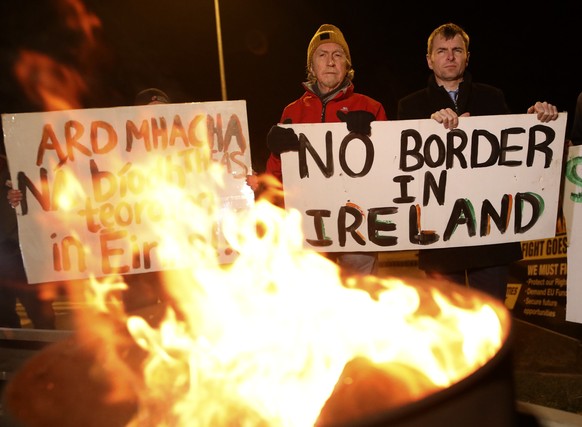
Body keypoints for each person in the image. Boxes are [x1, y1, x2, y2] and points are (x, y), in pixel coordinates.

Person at [397, 22, 559, 301]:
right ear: (429, 59)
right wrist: (430, 129)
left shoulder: (492, 97)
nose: (450, 56)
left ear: (467, 57)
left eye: (457, 50)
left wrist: (536, 121)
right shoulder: (409, 107)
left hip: (490, 236)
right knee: (447, 327)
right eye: (442, 51)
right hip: (440, 238)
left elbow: (516, 157)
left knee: (493, 324)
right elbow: (400, 166)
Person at [265, 24, 388, 278]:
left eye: (338, 54)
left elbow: (390, 170)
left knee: (360, 298)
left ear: (347, 64)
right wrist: (277, 153)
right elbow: (276, 177)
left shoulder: (371, 107)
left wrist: (374, 137)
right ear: (311, 67)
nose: (330, 61)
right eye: (322, 55)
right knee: (314, 303)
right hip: (309, 226)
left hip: (357, 227)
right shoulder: (292, 112)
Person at [1, 145, 56, 329]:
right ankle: (17, 349)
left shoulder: (17, 168)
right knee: (5, 314)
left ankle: (49, 348)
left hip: (21, 253)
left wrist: (16, 198)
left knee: (39, 310)